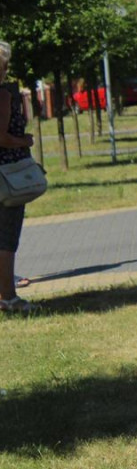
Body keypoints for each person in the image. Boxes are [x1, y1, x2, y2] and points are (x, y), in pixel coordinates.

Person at [0, 42, 37, 313]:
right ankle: (8, 297)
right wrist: (24, 140)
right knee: (6, 237)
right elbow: (1, 138)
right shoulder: (2, 96)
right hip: (7, 176)